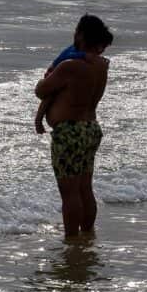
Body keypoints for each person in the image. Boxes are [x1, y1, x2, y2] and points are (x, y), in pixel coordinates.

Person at [34, 14, 112, 240]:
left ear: (80, 35)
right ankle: (87, 235)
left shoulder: (69, 66)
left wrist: (45, 77)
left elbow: (41, 90)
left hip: (69, 132)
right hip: (90, 128)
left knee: (69, 193)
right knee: (85, 188)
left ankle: (71, 241)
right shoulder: (100, 66)